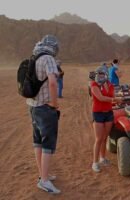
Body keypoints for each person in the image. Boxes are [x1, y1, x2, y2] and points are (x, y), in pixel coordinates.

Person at [26, 35, 61, 194]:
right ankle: (45, 181)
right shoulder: (48, 58)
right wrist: (55, 103)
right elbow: (53, 83)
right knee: (47, 144)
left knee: (37, 141)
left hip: (33, 106)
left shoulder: (34, 57)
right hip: (45, 108)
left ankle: (43, 175)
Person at [90, 66, 122, 172]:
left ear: (106, 75)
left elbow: (111, 99)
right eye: (99, 74)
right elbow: (100, 98)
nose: (100, 76)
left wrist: (118, 99)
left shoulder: (110, 85)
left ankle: (102, 158)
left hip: (108, 113)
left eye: (102, 74)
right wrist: (114, 99)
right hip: (98, 113)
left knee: (105, 137)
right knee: (98, 139)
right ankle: (95, 162)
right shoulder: (93, 84)